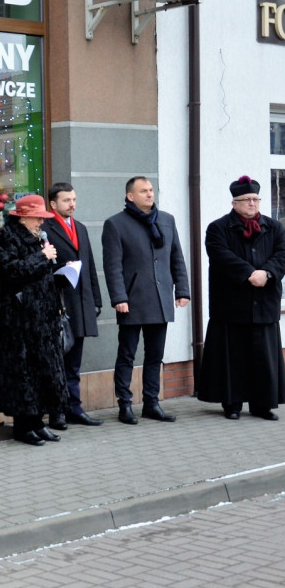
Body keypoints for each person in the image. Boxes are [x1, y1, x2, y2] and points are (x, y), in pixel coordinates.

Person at [102, 176, 190, 425]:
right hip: (131, 299)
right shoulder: (115, 224)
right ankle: (125, 405)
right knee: (127, 355)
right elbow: (112, 266)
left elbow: (176, 258)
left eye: (151, 190)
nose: (150, 194)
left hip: (160, 299)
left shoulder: (166, 220)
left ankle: (151, 403)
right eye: (143, 191)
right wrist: (119, 297)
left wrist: (182, 290)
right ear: (130, 196)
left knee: (154, 355)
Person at [197, 176, 285, 420]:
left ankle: (263, 405)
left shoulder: (274, 227)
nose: (252, 203)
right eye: (246, 200)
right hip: (232, 304)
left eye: (256, 199)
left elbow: (282, 254)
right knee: (233, 357)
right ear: (234, 203)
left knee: (263, 358)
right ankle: (232, 404)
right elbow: (221, 255)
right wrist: (248, 274)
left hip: (264, 302)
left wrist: (267, 273)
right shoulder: (218, 228)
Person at [0, 194, 68, 446]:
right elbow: (12, 271)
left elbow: (38, 274)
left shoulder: (38, 239)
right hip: (18, 320)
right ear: (24, 217)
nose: (41, 223)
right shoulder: (7, 237)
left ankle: (38, 422)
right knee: (22, 372)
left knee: (41, 371)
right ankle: (23, 427)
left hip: (41, 318)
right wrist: (42, 257)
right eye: (38, 218)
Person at [41, 182, 104, 429]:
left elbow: (89, 267)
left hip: (81, 303)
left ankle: (74, 408)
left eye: (74, 199)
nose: (72, 204)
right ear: (53, 204)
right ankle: (57, 411)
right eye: (67, 200)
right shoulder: (45, 228)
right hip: (59, 303)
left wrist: (96, 300)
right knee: (56, 361)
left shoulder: (80, 228)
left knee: (74, 362)